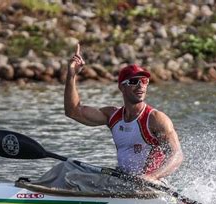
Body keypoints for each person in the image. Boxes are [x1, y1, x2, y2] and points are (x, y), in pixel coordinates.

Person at [64, 44, 183, 184]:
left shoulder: (156, 119)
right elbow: (73, 111)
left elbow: (177, 155)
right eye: (134, 81)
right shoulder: (113, 116)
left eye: (144, 81)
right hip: (122, 182)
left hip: (149, 187)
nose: (141, 86)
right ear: (121, 87)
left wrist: (152, 177)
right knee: (67, 171)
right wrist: (71, 75)